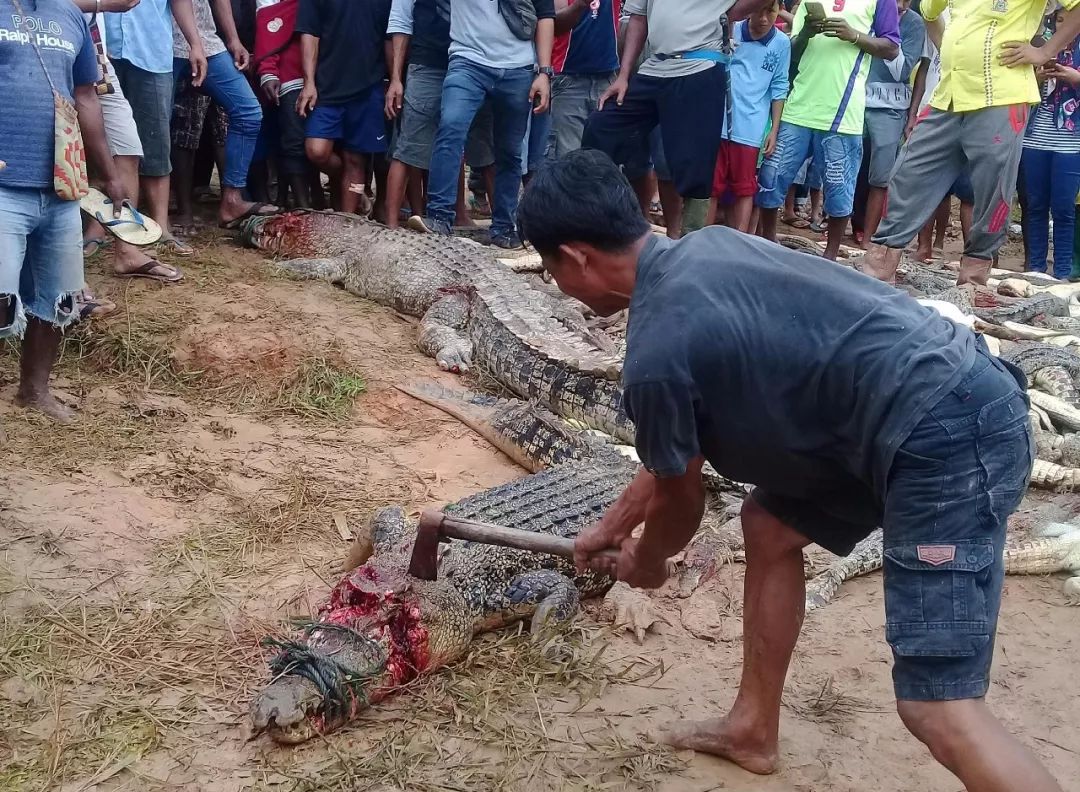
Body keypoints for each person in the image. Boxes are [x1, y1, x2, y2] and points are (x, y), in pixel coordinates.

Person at [517, 149, 1061, 792]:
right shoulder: (709, 247)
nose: (560, 285)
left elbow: (682, 504)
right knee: (770, 525)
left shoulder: (657, 352)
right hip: (920, 406)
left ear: (577, 256)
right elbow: (672, 464)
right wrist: (613, 528)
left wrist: (649, 563)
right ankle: (753, 729)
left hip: (946, 431)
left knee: (937, 708)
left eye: (553, 269)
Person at [861, 0, 1080, 286]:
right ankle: (879, 267)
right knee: (908, 174)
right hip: (948, 96)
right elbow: (929, 11)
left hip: (1002, 96)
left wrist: (1045, 51)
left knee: (993, 190)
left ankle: (973, 279)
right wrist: (950, 50)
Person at [1, 0, 127, 422]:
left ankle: (34, 392)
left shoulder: (70, 14)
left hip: (62, 187)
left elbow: (86, 96)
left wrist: (109, 174)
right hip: (3, 187)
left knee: (60, 299)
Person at [581, 0, 765, 235]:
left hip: (701, 64)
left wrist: (731, 10)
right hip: (655, 65)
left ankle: (689, 243)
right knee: (601, 127)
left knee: (694, 164)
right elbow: (638, 18)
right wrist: (624, 75)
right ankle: (590, 220)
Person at [755, 0, 900, 260]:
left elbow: (891, 47)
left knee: (839, 188)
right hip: (798, 106)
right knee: (771, 177)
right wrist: (808, 32)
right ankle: (768, 241)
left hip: (842, 114)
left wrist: (854, 35)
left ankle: (830, 256)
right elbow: (793, 50)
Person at [410, 0, 555, 248]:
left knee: (510, 151)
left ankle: (504, 228)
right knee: (451, 129)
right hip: (467, 60)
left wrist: (544, 72)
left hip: (518, 67)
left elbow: (545, 15)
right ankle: (439, 218)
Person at [76, 4, 183, 283]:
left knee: (128, 148)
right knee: (61, 152)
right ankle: (62, 278)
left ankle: (127, 250)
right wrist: (105, 4)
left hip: (97, 57)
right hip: (49, 50)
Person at [104, 0, 205, 255]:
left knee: (156, 141)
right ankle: (104, 227)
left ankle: (161, 227)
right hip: (100, 52)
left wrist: (195, 43)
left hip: (150, 50)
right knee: (103, 143)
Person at [383, 0, 490, 229]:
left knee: (459, 141)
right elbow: (400, 22)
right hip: (427, 64)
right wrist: (396, 78)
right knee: (408, 147)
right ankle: (390, 225)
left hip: (474, 63)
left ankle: (466, 217)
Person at [172, 0, 277, 227]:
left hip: (206, 41)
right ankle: (178, 210)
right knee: (170, 124)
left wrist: (233, 40)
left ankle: (232, 199)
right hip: (157, 42)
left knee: (248, 112)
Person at [295, 0, 391, 216]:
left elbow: (389, 37)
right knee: (316, 151)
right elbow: (310, 34)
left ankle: (347, 221)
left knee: (356, 159)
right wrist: (309, 81)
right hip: (327, 86)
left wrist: (393, 79)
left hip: (368, 86)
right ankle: (344, 182)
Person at [707, 0, 789, 233]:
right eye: (758, 11)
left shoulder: (781, 44)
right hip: (720, 121)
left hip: (751, 128)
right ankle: (702, 241)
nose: (763, 18)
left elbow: (780, 86)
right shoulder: (732, 28)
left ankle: (740, 243)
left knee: (745, 187)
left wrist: (773, 130)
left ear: (779, 10)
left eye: (770, 12)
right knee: (712, 185)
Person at [858, 0, 926, 248]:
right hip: (854, 98)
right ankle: (843, 226)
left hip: (890, 107)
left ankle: (868, 239)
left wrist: (888, 37)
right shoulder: (866, 10)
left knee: (880, 176)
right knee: (849, 168)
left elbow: (903, 71)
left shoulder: (915, 23)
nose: (901, 3)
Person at [1021, 19, 1080, 279]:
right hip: (1035, 137)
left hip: (1071, 140)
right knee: (1034, 205)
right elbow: (1019, 89)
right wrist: (1036, 77)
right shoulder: (1040, 46)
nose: (1062, 23)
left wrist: (1074, 77)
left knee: (1064, 208)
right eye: (1058, 19)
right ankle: (1036, 269)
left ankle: (1063, 272)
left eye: (1068, 18)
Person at [548, 0, 621, 158]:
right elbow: (554, 23)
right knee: (569, 162)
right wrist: (580, 4)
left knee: (606, 163)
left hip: (607, 80)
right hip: (568, 81)